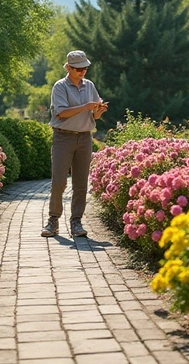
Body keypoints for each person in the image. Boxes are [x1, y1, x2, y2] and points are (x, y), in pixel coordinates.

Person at [41, 50, 108, 238]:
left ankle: (76, 222)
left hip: (85, 138)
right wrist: (87, 106)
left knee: (81, 183)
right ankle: (53, 221)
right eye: (78, 68)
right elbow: (61, 113)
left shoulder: (90, 86)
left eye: (85, 68)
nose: (82, 72)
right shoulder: (60, 87)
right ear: (68, 67)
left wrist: (99, 111)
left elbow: (93, 115)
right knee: (59, 182)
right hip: (63, 138)